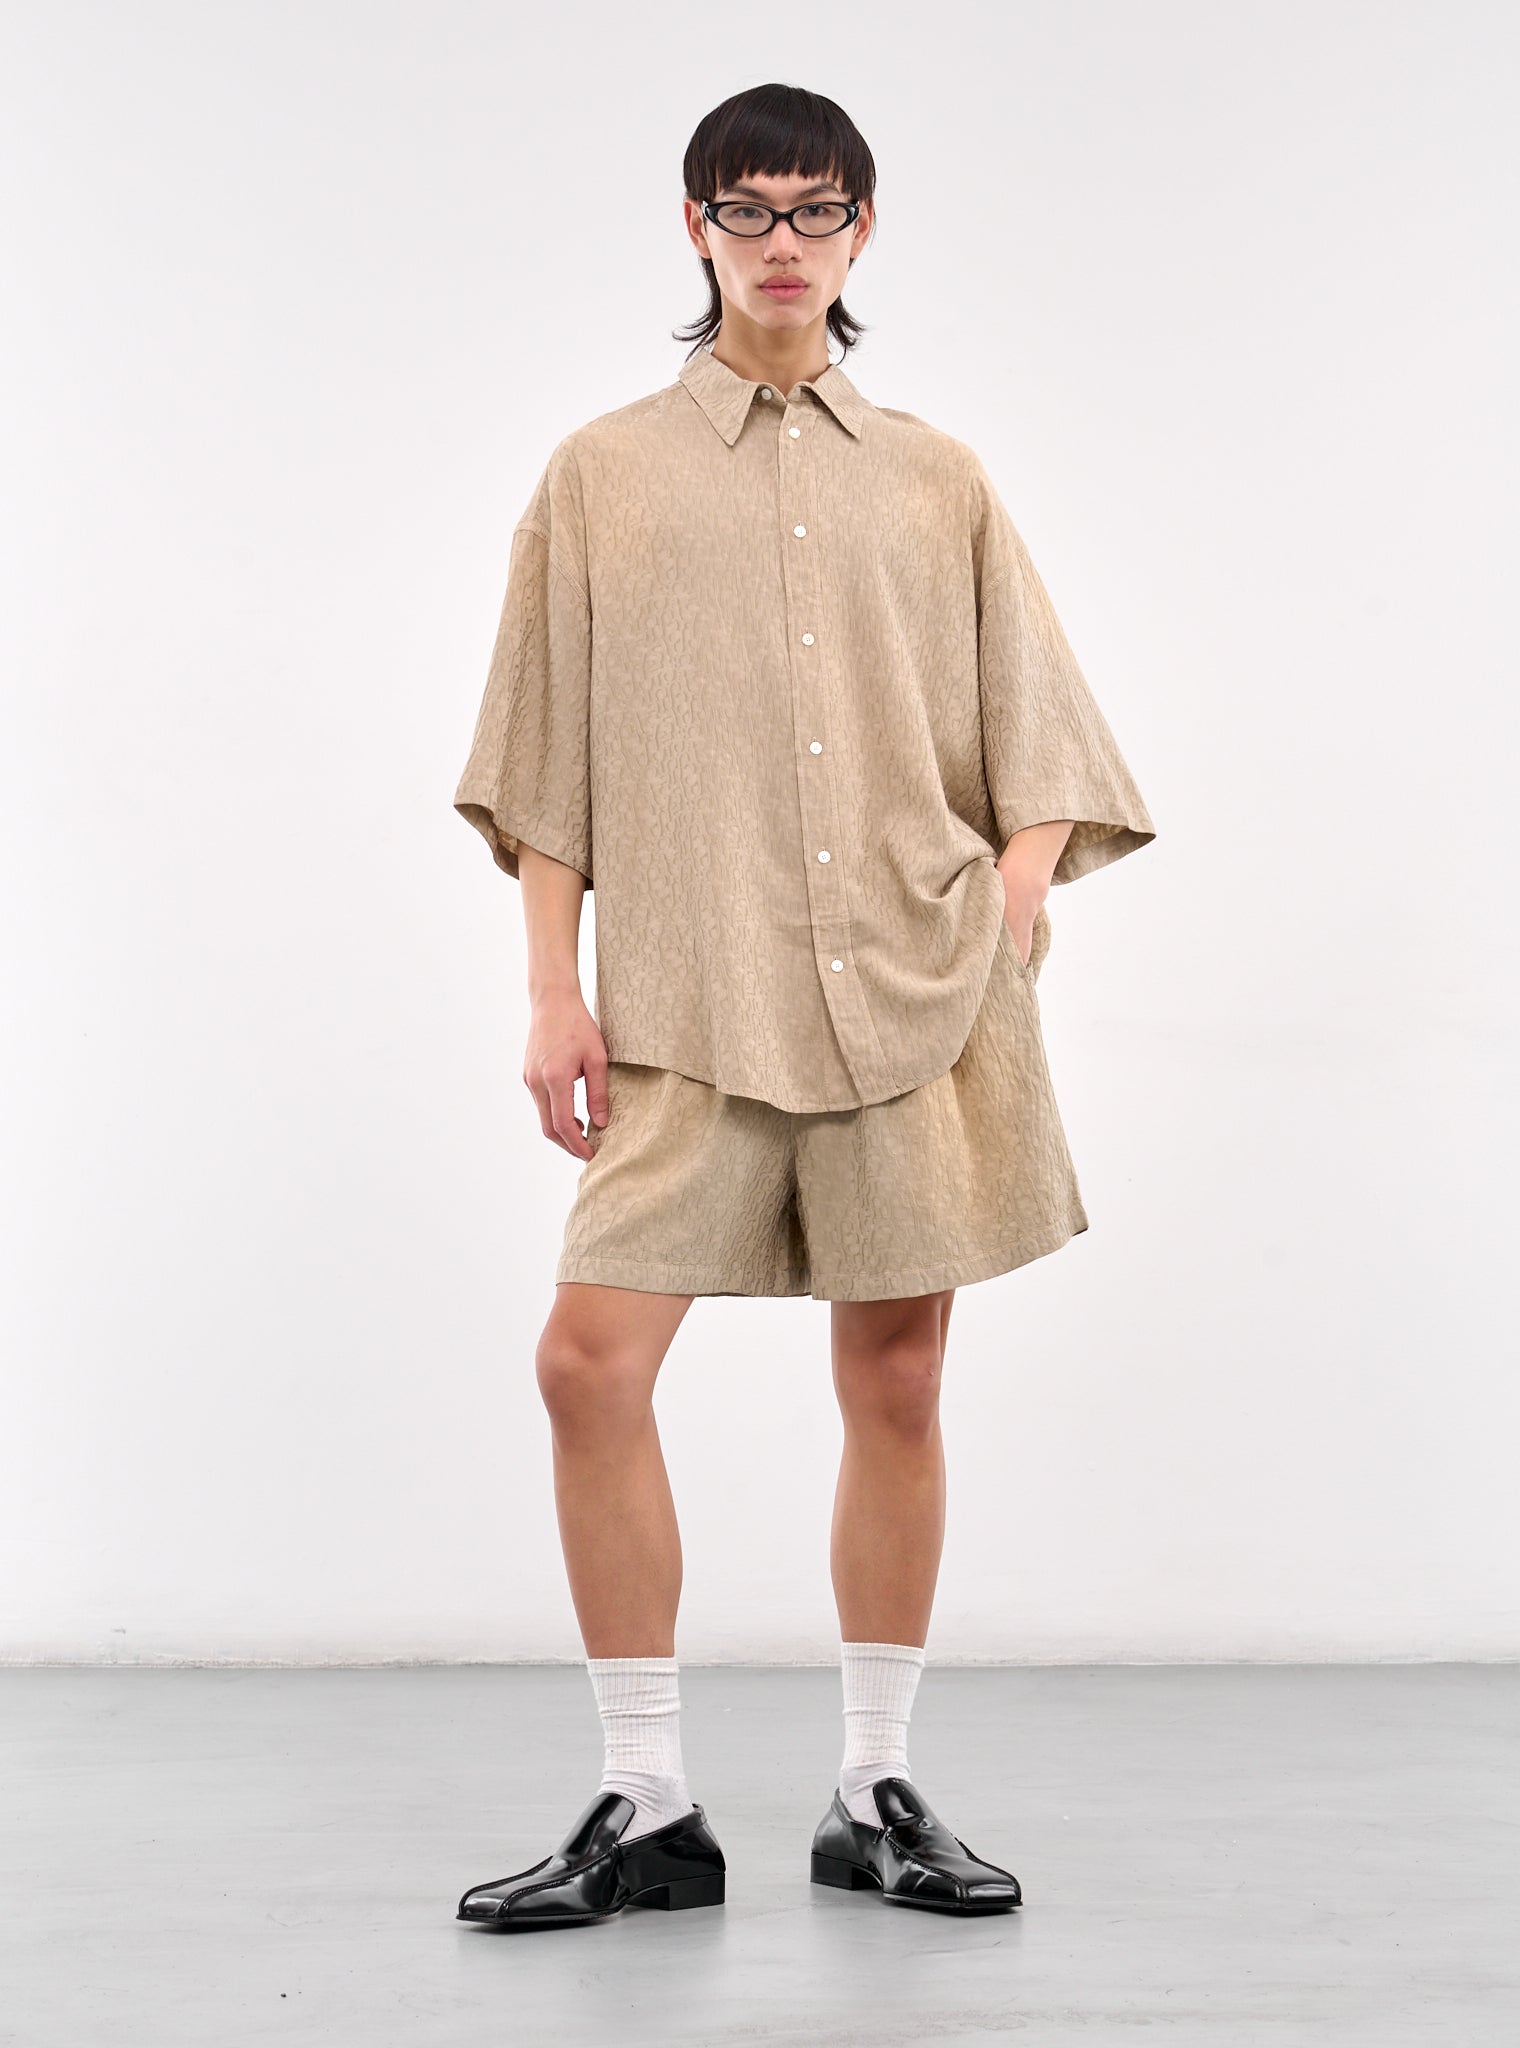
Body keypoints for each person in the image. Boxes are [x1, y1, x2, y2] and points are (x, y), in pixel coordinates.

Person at [450, 82, 1156, 1931]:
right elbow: (548, 756)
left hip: (911, 993)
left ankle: (874, 1788)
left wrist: (1012, 892)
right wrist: (552, 988)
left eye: (816, 209)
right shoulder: (600, 476)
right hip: (687, 999)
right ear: (694, 226)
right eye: (749, 209)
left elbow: (1044, 731)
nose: (783, 241)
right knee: (588, 1362)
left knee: (898, 1376)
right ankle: (645, 1799)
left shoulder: (937, 477)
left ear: (862, 230)